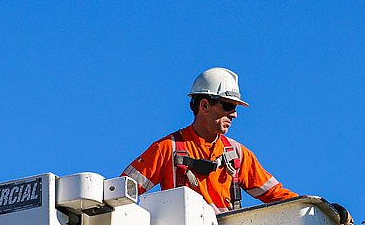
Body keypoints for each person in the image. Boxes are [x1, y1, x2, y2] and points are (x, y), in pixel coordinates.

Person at [122, 67, 297, 214]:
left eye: (235, 108)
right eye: (228, 106)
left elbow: (276, 194)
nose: (234, 114)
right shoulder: (167, 149)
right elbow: (121, 191)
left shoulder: (237, 154)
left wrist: (311, 207)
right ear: (204, 105)